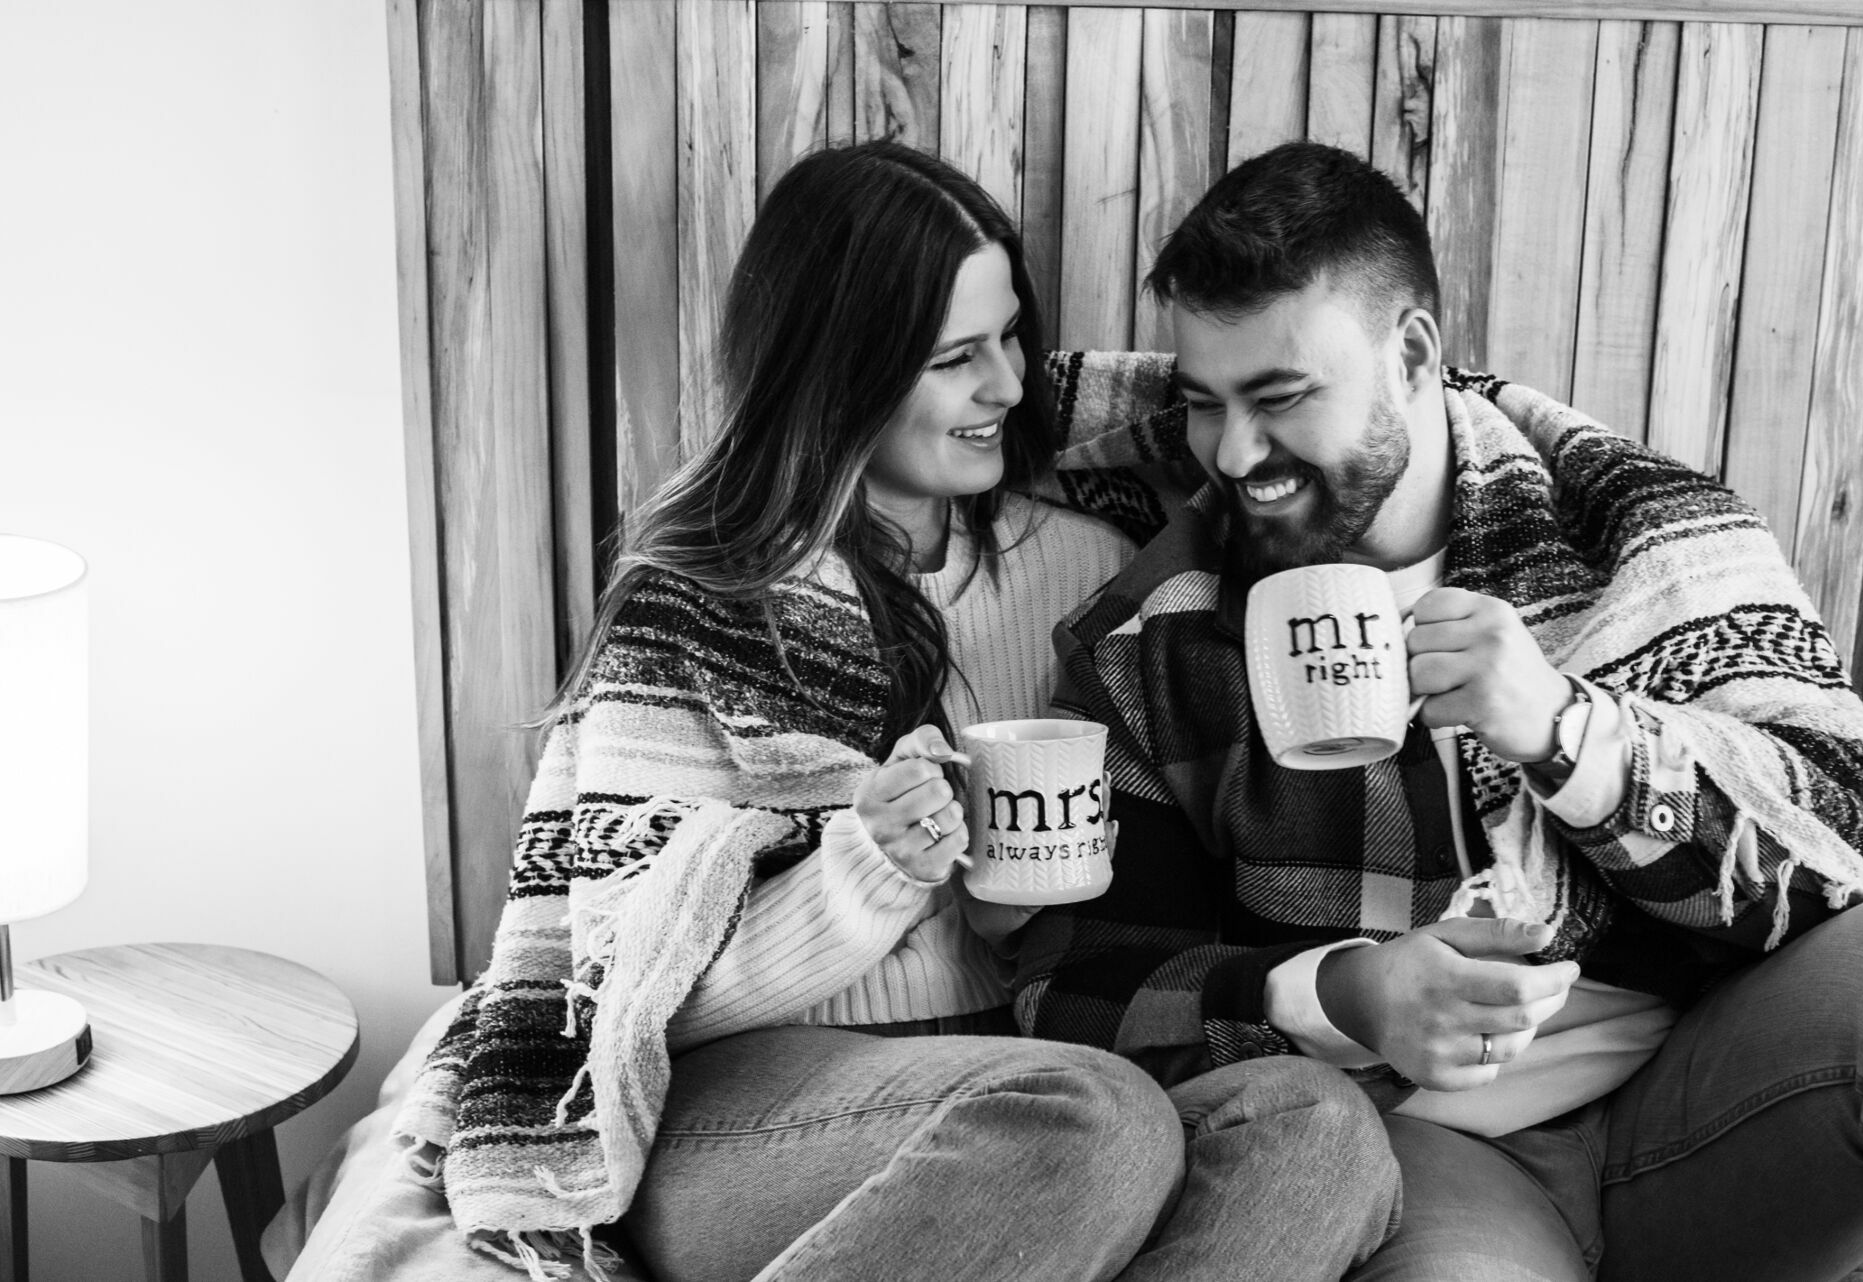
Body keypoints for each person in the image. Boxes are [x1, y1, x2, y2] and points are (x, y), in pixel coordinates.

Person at [398, 140, 1398, 1282]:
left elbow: (1339, 399)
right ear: (845, 371)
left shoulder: (1092, 562)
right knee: (1092, 1117)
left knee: (1315, 1126)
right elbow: (624, 984)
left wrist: (1030, 906)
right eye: (956, 358)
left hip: (1025, 1061)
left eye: (1013, 336)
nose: (1011, 386)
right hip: (755, 1105)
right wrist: (861, 872)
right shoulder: (703, 601)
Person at [1015, 139, 1863, 1282]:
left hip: (1709, 1080)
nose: (1236, 454)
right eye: (1203, 404)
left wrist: (1569, 731)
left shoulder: (1632, 529)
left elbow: (1836, 831)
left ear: (1411, 353)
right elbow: (1074, 989)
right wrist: (1342, 991)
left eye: (1281, 398)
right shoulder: (1154, 637)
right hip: (1433, 1141)